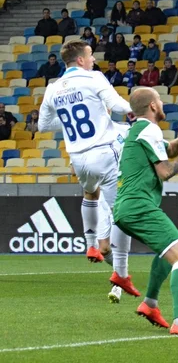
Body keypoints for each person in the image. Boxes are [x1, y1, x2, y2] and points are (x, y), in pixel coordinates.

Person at [38, 40, 138, 303]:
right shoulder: (93, 78)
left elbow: (43, 125)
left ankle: (91, 243)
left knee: (90, 193)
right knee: (122, 214)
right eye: (91, 55)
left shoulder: (53, 88)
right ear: (80, 59)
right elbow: (117, 106)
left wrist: (72, 112)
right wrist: (137, 111)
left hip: (78, 158)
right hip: (104, 152)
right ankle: (121, 275)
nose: (94, 59)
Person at [113, 87, 178, 336]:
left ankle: (150, 304)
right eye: (160, 100)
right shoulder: (149, 129)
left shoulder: (140, 129)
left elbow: (167, 150)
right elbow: (165, 171)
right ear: (153, 106)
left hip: (129, 206)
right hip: (138, 205)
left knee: (168, 253)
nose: (163, 103)